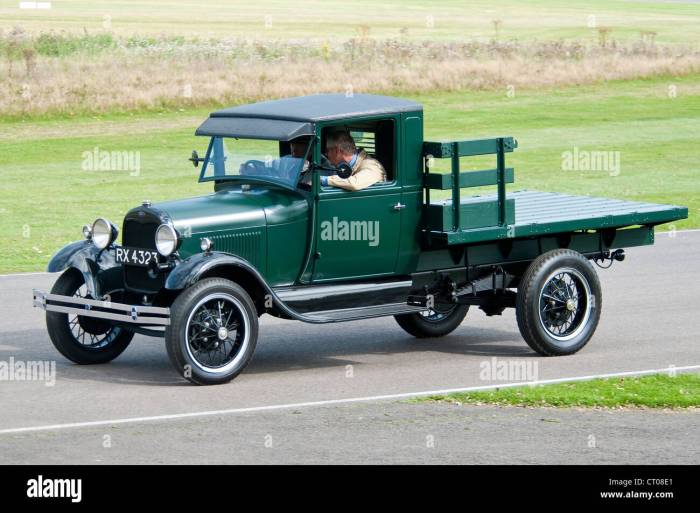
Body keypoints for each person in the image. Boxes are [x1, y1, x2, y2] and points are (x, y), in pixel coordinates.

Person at [322, 130, 386, 191]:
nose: (326, 154)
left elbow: (355, 183)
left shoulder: (371, 165)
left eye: (327, 150)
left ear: (337, 151)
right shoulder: (346, 166)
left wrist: (323, 180)